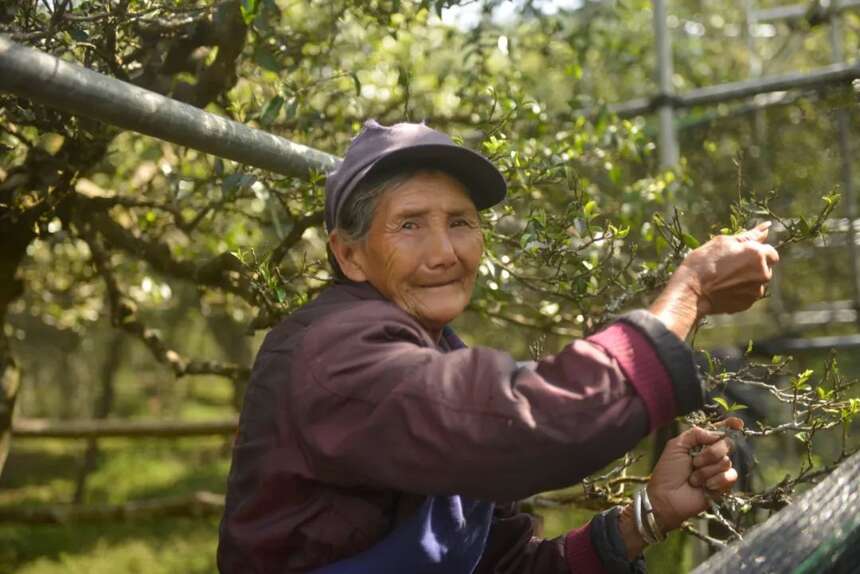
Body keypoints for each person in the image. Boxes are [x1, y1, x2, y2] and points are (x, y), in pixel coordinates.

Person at [217, 120, 779, 573]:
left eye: (460, 222)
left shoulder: (435, 353)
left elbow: (508, 564)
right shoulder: (336, 352)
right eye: (410, 225)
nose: (445, 253)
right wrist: (688, 295)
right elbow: (523, 424)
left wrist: (648, 517)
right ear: (350, 255)